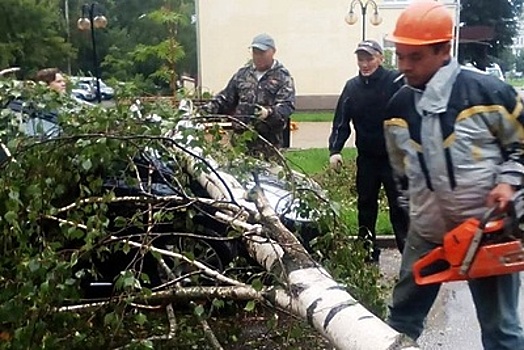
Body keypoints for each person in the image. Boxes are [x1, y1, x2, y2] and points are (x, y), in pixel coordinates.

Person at [383, 1, 524, 349]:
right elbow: (400, 174)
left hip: (485, 232)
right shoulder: (398, 107)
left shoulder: (489, 94)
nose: (404, 66)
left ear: (445, 50)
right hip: (427, 232)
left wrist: (508, 182)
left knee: (501, 331)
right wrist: (412, 213)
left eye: (414, 57)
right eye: (400, 56)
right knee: (399, 323)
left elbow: (521, 148)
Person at [328, 39, 409, 262]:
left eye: (369, 58)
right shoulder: (352, 87)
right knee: (365, 206)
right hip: (368, 159)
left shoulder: (396, 82)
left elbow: (412, 114)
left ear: (381, 58)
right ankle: (367, 251)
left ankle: (409, 255)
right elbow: (341, 122)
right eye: (361, 59)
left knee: (400, 207)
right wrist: (335, 150)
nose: (365, 64)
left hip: (396, 159)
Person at [202, 33, 295, 157]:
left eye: (262, 52)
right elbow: (225, 99)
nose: (258, 56)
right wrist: (202, 112)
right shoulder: (242, 75)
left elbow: (286, 107)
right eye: (255, 52)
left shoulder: (283, 77)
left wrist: (268, 113)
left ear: (273, 52)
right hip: (241, 145)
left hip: (269, 145)